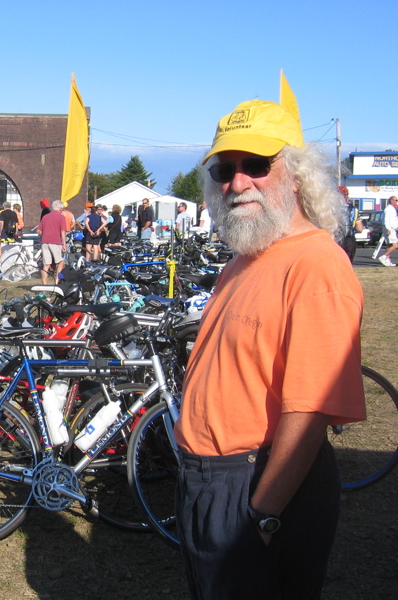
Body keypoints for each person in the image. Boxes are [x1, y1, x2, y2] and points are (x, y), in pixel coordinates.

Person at [174, 94, 366, 600]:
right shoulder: (244, 259)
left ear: (297, 173)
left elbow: (312, 408)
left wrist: (264, 514)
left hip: (257, 483)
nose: (238, 182)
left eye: (257, 164)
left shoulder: (316, 265)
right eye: (224, 169)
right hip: (209, 481)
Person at [36, 199, 67, 285]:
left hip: (45, 242)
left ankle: (44, 285)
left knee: (46, 264)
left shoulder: (45, 217)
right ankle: (57, 282)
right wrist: (64, 244)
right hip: (56, 242)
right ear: (60, 209)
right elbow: (63, 231)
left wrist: (45, 233)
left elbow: (38, 230)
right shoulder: (61, 217)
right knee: (60, 262)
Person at [378, 195, 398, 267]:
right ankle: (384, 256)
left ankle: (387, 260)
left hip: (393, 228)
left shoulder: (392, 209)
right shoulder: (388, 209)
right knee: (395, 245)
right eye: (395, 200)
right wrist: (388, 228)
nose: (396, 202)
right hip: (390, 228)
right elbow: (386, 220)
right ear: (391, 201)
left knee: (390, 245)